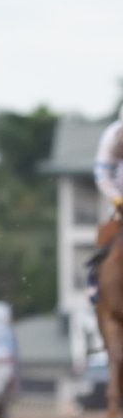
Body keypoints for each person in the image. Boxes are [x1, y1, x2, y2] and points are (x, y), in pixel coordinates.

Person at [85, 106, 123, 302]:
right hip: (119, 196)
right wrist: (117, 199)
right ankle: (93, 281)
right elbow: (102, 175)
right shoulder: (111, 137)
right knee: (106, 234)